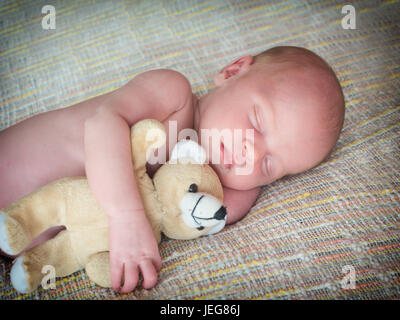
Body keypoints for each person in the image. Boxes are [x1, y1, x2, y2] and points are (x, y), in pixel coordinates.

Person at [0, 46, 345, 293]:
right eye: (256, 122)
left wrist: (249, 184)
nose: (250, 154)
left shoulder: (204, 184)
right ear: (233, 71)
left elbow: (225, 211)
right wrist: (126, 215)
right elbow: (103, 124)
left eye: (270, 165)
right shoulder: (173, 96)